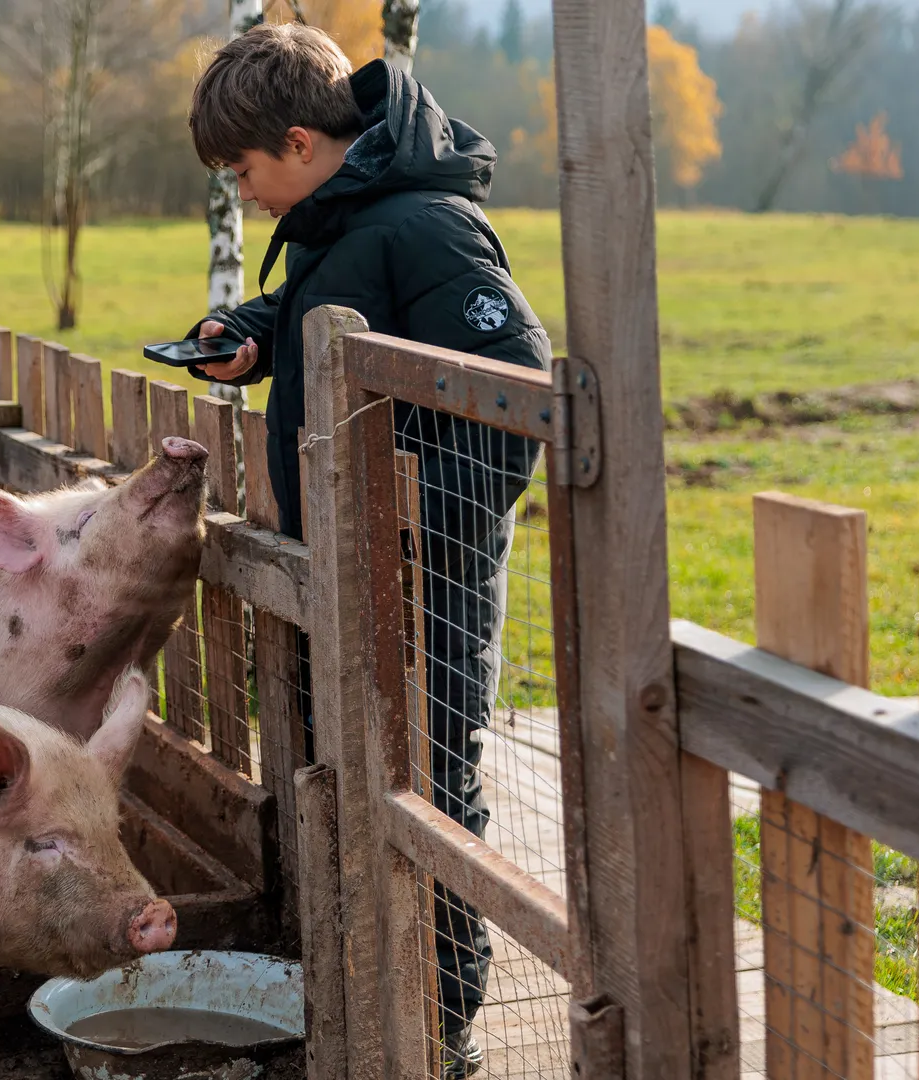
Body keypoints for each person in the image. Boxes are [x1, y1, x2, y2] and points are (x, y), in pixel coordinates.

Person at [181, 23, 552, 1079]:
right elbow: (344, 310)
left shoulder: (431, 227)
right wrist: (258, 328)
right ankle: (374, 1003)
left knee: (432, 791)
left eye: (243, 170)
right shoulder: (346, 213)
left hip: (426, 576)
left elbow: (511, 396)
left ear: (299, 142)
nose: (242, 192)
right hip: (353, 572)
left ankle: (444, 1038)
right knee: (359, 776)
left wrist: (411, 518)